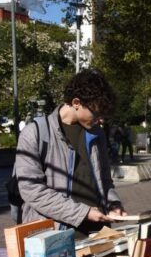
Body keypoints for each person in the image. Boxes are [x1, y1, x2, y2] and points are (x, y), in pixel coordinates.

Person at [14, 69, 126, 234]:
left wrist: (114, 204)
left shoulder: (97, 133)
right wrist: (84, 212)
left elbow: (104, 180)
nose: (101, 120)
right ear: (76, 102)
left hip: (97, 231)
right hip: (55, 235)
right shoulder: (35, 133)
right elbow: (31, 189)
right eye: (97, 113)